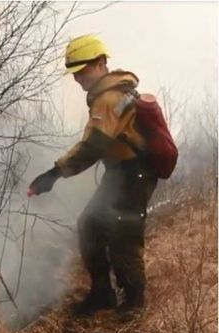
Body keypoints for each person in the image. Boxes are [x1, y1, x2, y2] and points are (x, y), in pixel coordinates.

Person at [27, 34, 158, 316]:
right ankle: (102, 294)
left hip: (134, 173)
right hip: (119, 172)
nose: (77, 79)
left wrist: (54, 174)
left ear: (100, 63)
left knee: (124, 234)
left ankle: (134, 303)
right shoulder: (109, 94)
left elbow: (93, 146)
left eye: (82, 71)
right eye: (74, 73)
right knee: (90, 225)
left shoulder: (109, 98)